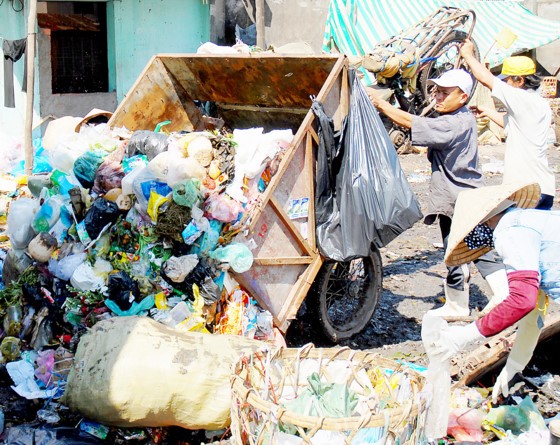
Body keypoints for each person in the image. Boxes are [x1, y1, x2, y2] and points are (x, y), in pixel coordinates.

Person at [367, 69, 508, 319]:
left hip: (462, 197)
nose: (438, 98)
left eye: (445, 93)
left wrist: (379, 104)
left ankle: (502, 294)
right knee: (454, 250)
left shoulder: (453, 123)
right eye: (436, 92)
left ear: (463, 97)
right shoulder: (460, 116)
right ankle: (458, 303)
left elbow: (414, 123)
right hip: (452, 196)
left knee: (479, 248)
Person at [430, 181, 559, 402]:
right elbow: (534, 313)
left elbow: (521, 301)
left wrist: (465, 336)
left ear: (486, 219)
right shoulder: (532, 221)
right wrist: (514, 366)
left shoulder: (510, 231)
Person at [460, 40, 556, 209]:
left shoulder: (521, 98)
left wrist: (468, 54)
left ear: (519, 81)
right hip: (542, 186)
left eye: (507, 81)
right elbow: (512, 126)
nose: (504, 85)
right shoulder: (537, 103)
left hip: (527, 189)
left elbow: (485, 79)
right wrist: (487, 112)